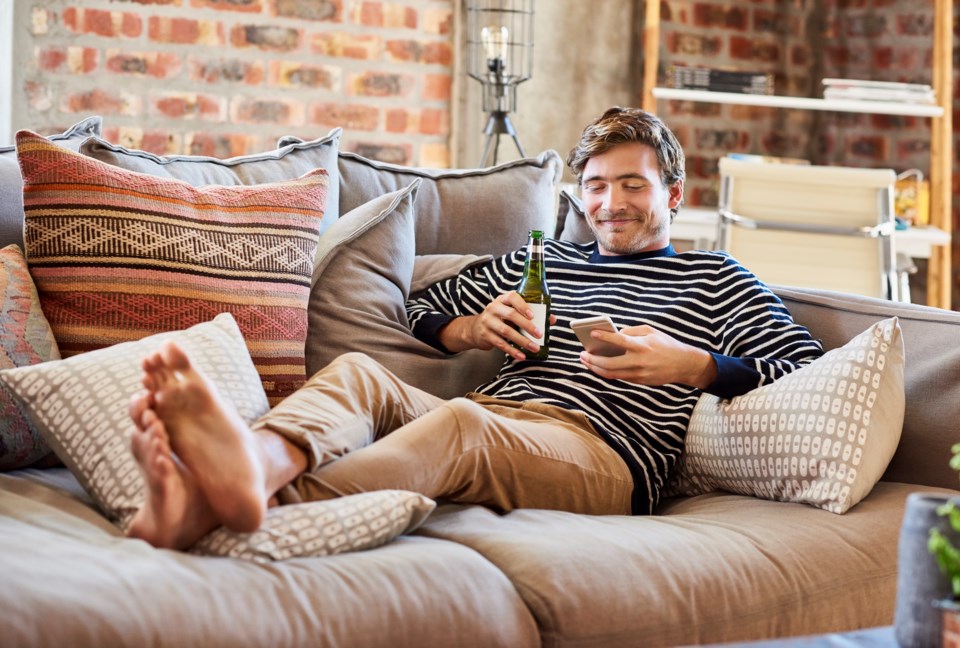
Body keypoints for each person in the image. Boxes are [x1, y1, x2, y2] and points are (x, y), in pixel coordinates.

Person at [126, 106, 824, 550]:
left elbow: (802, 364)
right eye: (597, 186)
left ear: (673, 194)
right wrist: (470, 329)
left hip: (606, 458)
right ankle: (244, 473)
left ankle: (225, 503)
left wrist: (695, 366)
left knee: (460, 428)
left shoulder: (717, 279)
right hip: (500, 414)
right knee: (360, 376)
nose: (611, 203)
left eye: (632, 185)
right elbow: (422, 313)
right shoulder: (544, 260)